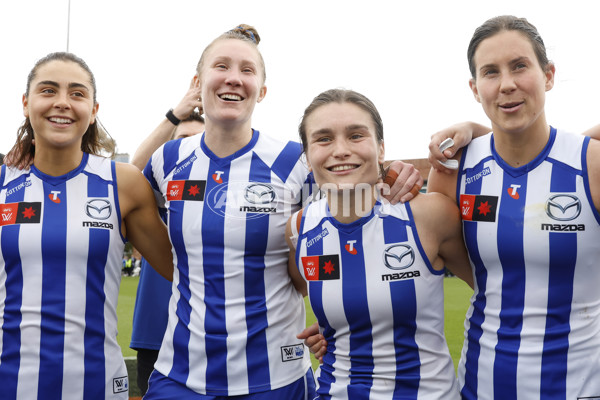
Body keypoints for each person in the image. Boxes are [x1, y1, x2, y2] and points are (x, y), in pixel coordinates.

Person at [140, 24, 422, 399]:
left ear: (263, 90)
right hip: (180, 376)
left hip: (276, 376)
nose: (234, 79)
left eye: (247, 70)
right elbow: (117, 193)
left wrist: (390, 172)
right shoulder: (168, 159)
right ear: (198, 81)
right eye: (221, 66)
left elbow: (358, 218)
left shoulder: (295, 160)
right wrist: (173, 116)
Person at [425, 15, 600, 399]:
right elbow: (440, 265)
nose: (507, 84)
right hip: (480, 386)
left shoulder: (592, 165)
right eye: (491, 72)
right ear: (475, 88)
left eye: (520, 66)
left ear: (548, 75)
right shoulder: (454, 170)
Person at [0, 52, 174, 399]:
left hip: (99, 384)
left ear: (94, 110)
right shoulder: (4, 181)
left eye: (77, 93)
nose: (62, 102)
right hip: (10, 382)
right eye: (48, 90)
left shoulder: (123, 183)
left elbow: (188, 273)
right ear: (25, 103)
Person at [286, 88, 473, 399]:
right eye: (323, 138)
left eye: (356, 135)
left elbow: (496, 293)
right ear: (307, 157)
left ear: (381, 148)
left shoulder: (429, 215)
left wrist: (472, 128)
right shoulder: (299, 226)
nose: (341, 149)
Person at [130, 109, 205, 396]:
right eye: (182, 139)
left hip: (210, 334)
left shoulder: (226, 198)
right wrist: (173, 117)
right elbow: (128, 175)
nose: (191, 147)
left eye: (199, 139)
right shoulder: (160, 194)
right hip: (157, 332)